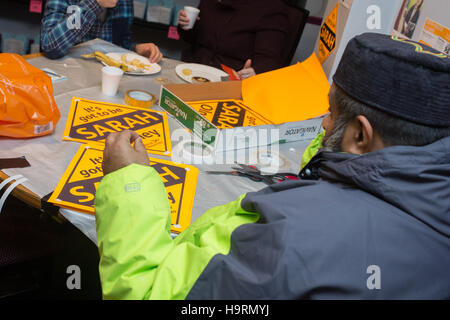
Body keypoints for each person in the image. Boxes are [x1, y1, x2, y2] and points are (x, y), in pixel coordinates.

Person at [94, 33, 450, 299]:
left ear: (360, 135)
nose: (324, 123)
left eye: (332, 113)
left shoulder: (288, 238)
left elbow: (145, 293)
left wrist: (130, 183)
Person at [177, 0, 290, 79]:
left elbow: (269, 61)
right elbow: (195, 40)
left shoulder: (271, 8)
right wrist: (185, 26)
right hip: (194, 70)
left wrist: (255, 71)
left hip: (231, 80)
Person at [41, 0, 162, 62]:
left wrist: (136, 49)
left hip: (107, 81)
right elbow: (50, 47)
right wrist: (94, 3)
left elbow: (118, 45)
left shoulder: (124, 2)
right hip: (68, 74)